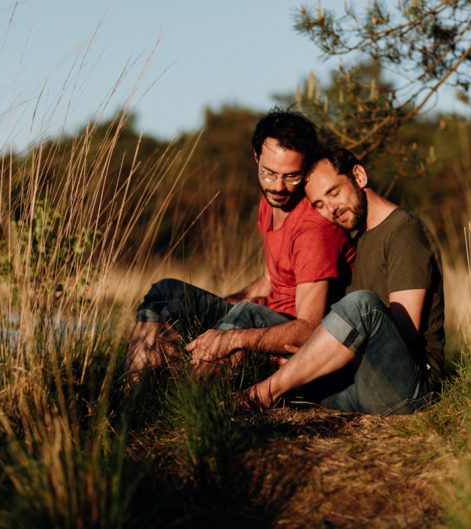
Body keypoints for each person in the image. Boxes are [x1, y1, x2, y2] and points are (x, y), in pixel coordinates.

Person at [126, 110, 355, 380]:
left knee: (248, 313)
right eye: (269, 173)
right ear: (256, 157)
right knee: (166, 292)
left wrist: (234, 335)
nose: (278, 187)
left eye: (292, 176)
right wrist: (211, 309)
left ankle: (189, 406)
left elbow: (309, 327)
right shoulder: (270, 203)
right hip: (260, 315)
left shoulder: (313, 228)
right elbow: (270, 281)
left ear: (306, 170)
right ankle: (131, 391)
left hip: (289, 341)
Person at [238, 145, 444, 415]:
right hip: (363, 382)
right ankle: (198, 391)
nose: (330, 209)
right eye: (319, 205)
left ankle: (258, 396)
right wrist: (309, 355)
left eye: (333, 192)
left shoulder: (404, 232)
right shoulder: (358, 239)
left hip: (409, 387)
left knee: (362, 305)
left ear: (358, 176)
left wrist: (316, 357)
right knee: (253, 313)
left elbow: (404, 334)